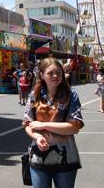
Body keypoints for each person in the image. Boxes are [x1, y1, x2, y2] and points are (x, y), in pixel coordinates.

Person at [23, 57, 83, 188]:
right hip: (39, 157)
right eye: (50, 73)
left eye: (58, 73)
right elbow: (28, 123)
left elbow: (74, 127)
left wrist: (43, 125)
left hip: (66, 158)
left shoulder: (71, 96)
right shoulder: (34, 95)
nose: (55, 76)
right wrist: (37, 136)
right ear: (42, 75)